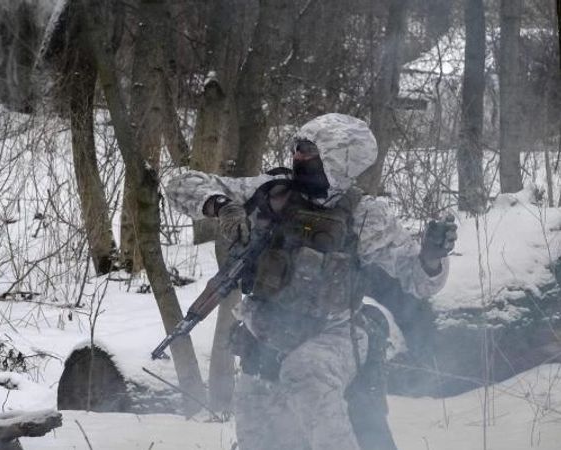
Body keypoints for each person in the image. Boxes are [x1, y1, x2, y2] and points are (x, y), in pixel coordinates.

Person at [165, 113, 456, 450]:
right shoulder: (272, 193)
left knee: (307, 374)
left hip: (334, 336)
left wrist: (433, 256)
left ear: (337, 160)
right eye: (297, 150)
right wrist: (221, 205)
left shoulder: (366, 216)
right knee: (259, 438)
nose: (298, 158)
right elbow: (178, 184)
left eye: (309, 152)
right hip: (264, 342)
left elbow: (420, 281)